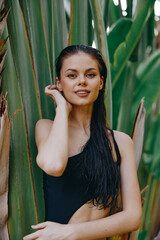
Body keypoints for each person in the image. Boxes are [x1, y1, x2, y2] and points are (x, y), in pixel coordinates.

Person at [23, 45, 142, 240]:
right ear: (58, 83)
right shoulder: (46, 128)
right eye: (71, 75)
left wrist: (69, 232)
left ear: (101, 82)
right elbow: (53, 165)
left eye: (90, 75)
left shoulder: (120, 142)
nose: (82, 82)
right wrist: (62, 108)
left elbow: (133, 217)